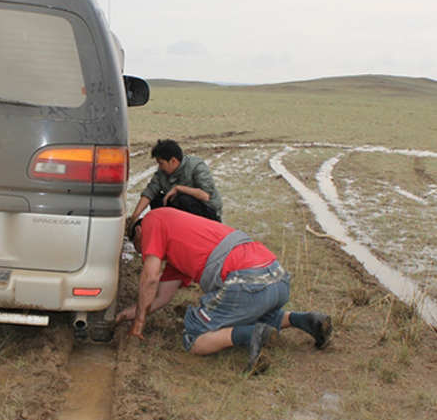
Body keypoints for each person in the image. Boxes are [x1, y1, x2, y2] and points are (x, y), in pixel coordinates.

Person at [116, 208, 333, 375]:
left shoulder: (154, 219)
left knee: (193, 337)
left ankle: (251, 335)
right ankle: (307, 320)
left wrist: (139, 324)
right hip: (275, 276)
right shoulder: (178, 245)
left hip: (244, 280)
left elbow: (150, 277)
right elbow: (161, 297)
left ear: (138, 230)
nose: (145, 253)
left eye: (140, 247)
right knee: (248, 309)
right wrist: (129, 314)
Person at [128, 139, 222, 229]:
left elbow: (205, 195)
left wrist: (178, 188)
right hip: (181, 211)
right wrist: (135, 215)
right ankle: (169, 231)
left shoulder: (196, 166)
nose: (159, 167)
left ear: (173, 161)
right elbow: (150, 191)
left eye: (161, 163)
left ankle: (192, 233)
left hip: (207, 213)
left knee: (185, 200)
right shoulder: (162, 173)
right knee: (156, 199)